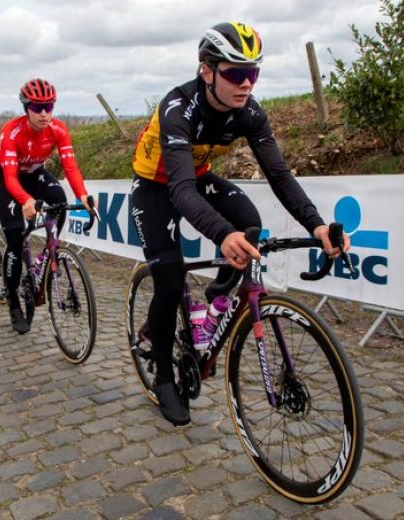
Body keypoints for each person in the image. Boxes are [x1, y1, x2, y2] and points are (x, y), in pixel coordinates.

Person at [130, 22, 351, 426]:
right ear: (207, 70)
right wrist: (221, 233)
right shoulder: (178, 108)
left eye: (253, 72)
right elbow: (180, 190)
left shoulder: (249, 111)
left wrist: (317, 226)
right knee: (170, 278)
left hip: (196, 179)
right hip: (156, 187)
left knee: (250, 223)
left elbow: (279, 175)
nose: (246, 83)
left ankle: (216, 300)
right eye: (236, 72)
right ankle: (163, 377)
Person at [0, 78, 95, 334]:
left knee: (60, 201)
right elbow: (11, 178)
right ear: (26, 108)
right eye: (38, 107)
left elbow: (71, 167)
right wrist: (25, 200)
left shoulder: (59, 129)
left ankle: (50, 251)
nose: (44, 113)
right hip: (8, 177)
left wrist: (83, 195)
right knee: (15, 238)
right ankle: (13, 300)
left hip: (35, 173)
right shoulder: (12, 131)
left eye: (49, 106)